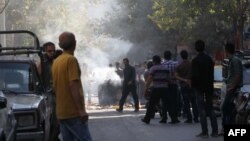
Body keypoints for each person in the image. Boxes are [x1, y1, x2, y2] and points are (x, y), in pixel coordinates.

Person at [52, 32, 92, 141]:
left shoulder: (56, 62)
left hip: (61, 112)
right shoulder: (71, 60)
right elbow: (73, 84)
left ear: (60, 46)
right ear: (75, 43)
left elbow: (55, 87)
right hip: (73, 113)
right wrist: (81, 110)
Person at [191, 40, 218, 138]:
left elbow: (194, 76)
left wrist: (193, 87)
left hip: (199, 88)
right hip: (209, 87)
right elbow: (211, 74)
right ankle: (215, 131)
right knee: (210, 108)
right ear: (204, 47)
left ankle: (205, 132)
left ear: (196, 48)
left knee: (201, 110)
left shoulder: (195, 61)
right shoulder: (209, 59)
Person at [220, 42, 243, 135]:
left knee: (225, 107)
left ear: (226, 50)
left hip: (233, 88)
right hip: (229, 87)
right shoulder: (229, 60)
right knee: (228, 108)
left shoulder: (235, 60)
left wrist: (233, 86)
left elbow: (238, 75)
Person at [141, 55, 169, 124]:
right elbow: (169, 78)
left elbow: (150, 78)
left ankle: (147, 119)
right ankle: (165, 118)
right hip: (165, 88)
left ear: (154, 61)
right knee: (165, 103)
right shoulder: (166, 68)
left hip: (156, 88)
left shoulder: (153, 68)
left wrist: (146, 87)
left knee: (151, 104)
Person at [175, 50, 199, 123]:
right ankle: (196, 118)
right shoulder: (192, 64)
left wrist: (184, 80)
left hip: (184, 86)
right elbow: (196, 74)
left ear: (181, 57)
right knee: (194, 102)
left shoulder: (179, 66)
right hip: (192, 85)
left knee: (186, 102)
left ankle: (189, 118)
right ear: (187, 55)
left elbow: (176, 76)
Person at [162, 50, 180, 124]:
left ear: (164, 56)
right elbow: (178, 75)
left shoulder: (162, 64)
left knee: (165, 101)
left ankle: (164, 118)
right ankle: (174, 118)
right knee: (174, 101)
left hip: (164, 85)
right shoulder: (175, 64)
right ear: (171, 56)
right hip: (173, 85)